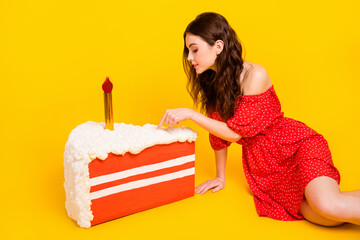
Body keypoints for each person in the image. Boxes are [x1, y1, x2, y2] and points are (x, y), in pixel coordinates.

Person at [157, 12, 360, 227]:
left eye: (194, 49)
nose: (189, 58)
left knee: (329, 206)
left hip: (295, 147)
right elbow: (218, 134)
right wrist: (220, 177)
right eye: (188, 51)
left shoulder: (254, 75)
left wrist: (190, 114)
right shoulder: (214, 82)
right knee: (326, 218)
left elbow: (235, 133)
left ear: (218, 46)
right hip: (267, 167)